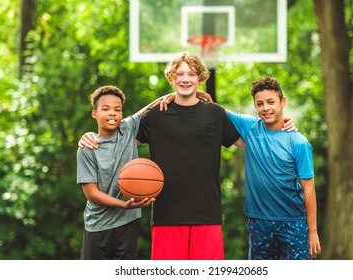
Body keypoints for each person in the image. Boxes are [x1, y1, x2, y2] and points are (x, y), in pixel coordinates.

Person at [79, 52, 296, 260]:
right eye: (180, 74)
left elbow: (253, 146)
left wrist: (282, 129)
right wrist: (89, 137)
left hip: (207, 212)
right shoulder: (155, 116)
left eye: (191, 74)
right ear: (171, 78)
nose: (185, 79)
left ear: (200, 78)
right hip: (166, 213)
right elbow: (116, 140)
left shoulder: (215, 113)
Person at [226, 77, 321, 260]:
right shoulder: (250, 128)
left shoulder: (298, 142)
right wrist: (187, 94)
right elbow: (215, 110)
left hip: (293, 222)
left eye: (271, 102)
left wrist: (313, 231)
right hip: (259, 222)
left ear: (282, 102)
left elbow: (309, 190)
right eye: (260, 104)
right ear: (255, 106)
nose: (265, 108)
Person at [76, 85, 157, 260]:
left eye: (117, 109)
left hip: (127, 223)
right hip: (98, 225)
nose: (112, 113)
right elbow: (92, 193)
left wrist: (183, 93)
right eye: (105, 109)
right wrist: (124, 205)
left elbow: (154, 106)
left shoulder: (127, 129)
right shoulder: (87, 149)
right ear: (94, 114)